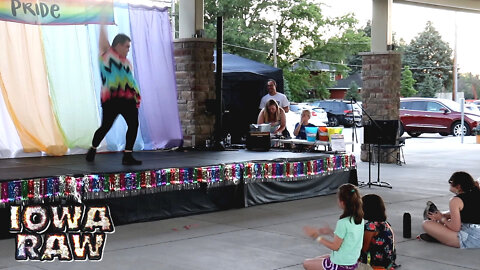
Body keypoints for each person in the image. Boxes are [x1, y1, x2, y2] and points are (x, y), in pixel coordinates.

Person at [86, 23, 142, 165]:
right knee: (105, 126)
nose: (129, 49)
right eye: (127, 46)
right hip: (111, 100)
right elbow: (103, 40)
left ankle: (127, 155)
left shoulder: (127, 63)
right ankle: (93, 148)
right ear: (118, 45)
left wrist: (136, 96)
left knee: (134, 124)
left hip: (128, 99)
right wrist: (103, 20)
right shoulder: (107, 55)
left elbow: (130, 81)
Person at [303, 183, 364, 270]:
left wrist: (316, 236)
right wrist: (331, 232)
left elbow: (335, 247)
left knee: (306, 263)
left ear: (342, 202)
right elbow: (348, 239)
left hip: (340, 264)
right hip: (352, 262)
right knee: (319, 259)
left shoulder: (343, 222)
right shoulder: (360, 219)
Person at [421, 171, 480, 248]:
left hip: (472, 238)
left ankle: (440, 238)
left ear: (458, 186)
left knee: (426, 224)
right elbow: (470, 213)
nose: (449, 184)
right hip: (474, 229)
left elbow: (456, 228)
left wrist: (441, 218)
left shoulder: (456, 200)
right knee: (447, 221)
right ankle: (440, 235)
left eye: (451, 182)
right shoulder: (476, 192)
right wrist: (443, 215)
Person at [358, 194, 396, 270]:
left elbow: (363, 249)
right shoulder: (386, 224)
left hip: (374, 266)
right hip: (387, 265)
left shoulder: (371, 226)